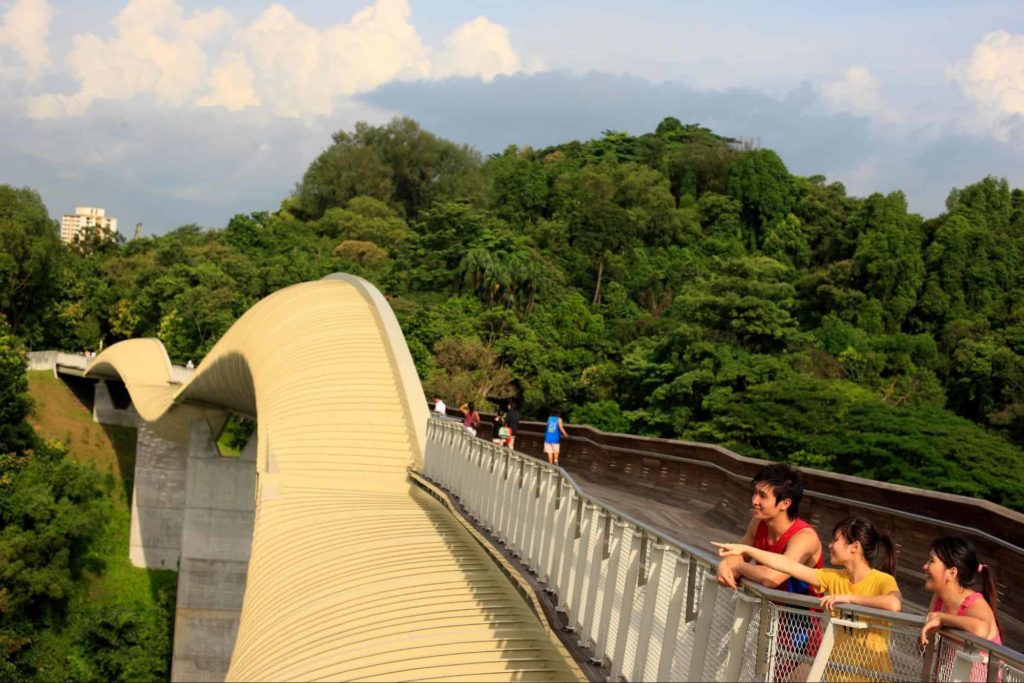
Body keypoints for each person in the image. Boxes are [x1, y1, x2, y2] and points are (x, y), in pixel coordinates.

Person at [715, 516, 902, 682]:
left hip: (873, 676)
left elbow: (893, 604)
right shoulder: (833, 577)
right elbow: (788, 565)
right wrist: (747, 549)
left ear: (854, 547)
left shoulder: (883, 580)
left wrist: (850, 599)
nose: (830, 545)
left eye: (836, 540)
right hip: (836, 674)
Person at [716, 463, 823, 595]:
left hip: (798, 614)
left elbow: (771, 578)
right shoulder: (758, 522)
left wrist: (738, 566)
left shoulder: (805, 538)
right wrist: (724, 565)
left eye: (763, 496)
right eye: (755, 493)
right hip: (765, 611)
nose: (755, 501)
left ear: (785, 504)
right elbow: (738, 555)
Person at [920, 536, 1001, 662]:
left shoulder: (976, 604)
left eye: (931, 561)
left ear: (952, 573)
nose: (925, 566)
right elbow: (924, 646)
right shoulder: (938, 598)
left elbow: (980, 630)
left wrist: (942, 618)